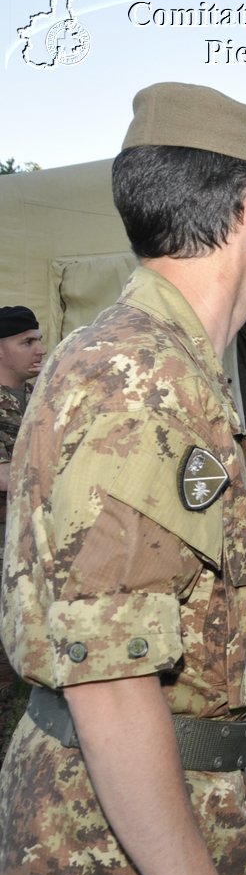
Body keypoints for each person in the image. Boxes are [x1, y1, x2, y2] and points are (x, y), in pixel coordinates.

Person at [0, 80, 246, 875]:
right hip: (127, 860)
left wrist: (245, 562)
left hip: (146, 823)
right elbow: (107, 675)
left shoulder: (143, 359)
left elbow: (110, 557)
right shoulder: (144, 382)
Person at [0, 304, 44, 751]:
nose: (39, 350)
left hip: (31, 550)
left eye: (38, 339)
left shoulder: (36, 400)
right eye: (26, 342)